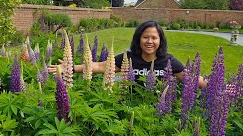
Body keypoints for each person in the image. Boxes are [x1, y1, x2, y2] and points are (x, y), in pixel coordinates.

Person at [48, 20, 207, 88]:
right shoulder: (128, 57)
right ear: (138, 39)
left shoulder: (168, 61)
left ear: (160, 40)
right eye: (145, 37)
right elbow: (100, 66)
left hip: (155, 111)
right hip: (128, 103)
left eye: (154, 38)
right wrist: (69, 68)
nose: (149, 41)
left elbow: (193, 80)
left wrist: (221, 87)